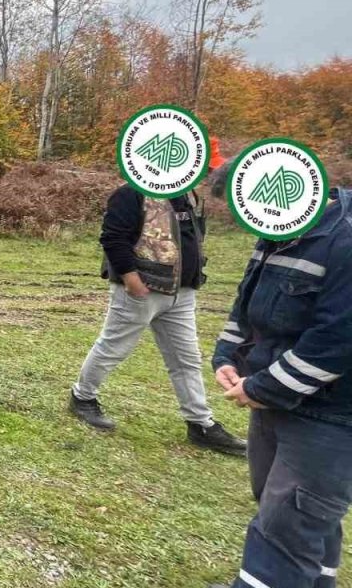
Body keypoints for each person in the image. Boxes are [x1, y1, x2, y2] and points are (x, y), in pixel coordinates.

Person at [209, 186, 352, 588]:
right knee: (299, 518)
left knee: (287, 526)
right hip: (275, 403)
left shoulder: (345, 240)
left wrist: (263, 388)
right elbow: (246, 302)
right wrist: (228, 356)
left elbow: (337, 342)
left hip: (330, 416)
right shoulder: (278, 228)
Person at [68, 180, 247, 456]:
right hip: (141, 290)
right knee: (114, 348)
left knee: (186, 358)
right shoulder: (131, 193)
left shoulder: (187, 195)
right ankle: (82, 397)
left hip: (182, 293)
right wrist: (131, 279)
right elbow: (112, 238)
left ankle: (200, 424)